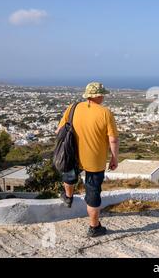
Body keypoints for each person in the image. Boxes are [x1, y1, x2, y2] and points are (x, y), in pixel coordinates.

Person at [56, 82, 119, 237]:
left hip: (72, 154)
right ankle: (94, 227)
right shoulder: (105, 113)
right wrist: (114, 158)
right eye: (102, 94)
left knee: (69, 176)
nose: (103, 96)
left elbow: (59, 130)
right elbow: (113, 139)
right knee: (93, 193)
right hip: (95, 160)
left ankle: (68, 197)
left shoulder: (73, 108)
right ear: (98, 96)